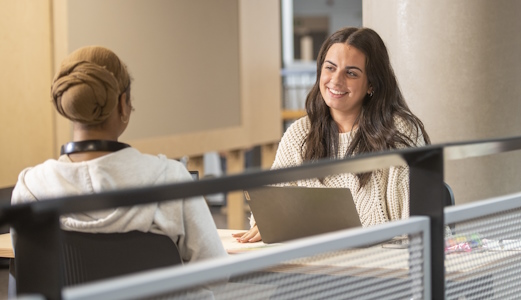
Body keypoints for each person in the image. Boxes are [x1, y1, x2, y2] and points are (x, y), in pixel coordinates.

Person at [10, 46, 227, 263]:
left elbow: (30, 265)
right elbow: (215, 269)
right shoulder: (170, 180)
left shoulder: (31, 188)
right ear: (123, 104)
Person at [236, 27, 430, 243]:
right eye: (330, 68)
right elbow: (270, 208)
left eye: (351, 73)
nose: (336, 81)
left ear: (371, 84)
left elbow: (419, 226)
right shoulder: (301, 132)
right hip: (314, 264)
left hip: (384, 267)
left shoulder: (398, 131)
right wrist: (264, 223)